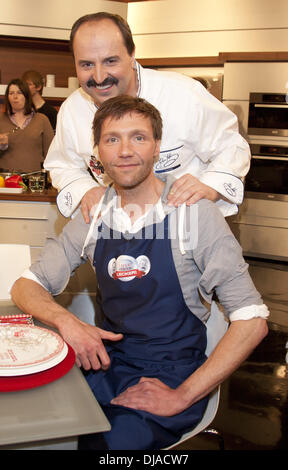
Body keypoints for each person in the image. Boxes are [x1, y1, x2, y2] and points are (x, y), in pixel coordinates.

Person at [11, 96, 268, 450]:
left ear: (157, 147)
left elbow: (252, 320)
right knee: (32, 414)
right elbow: (26, 286)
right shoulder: (93, 216)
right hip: (107, 364)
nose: (126, 150)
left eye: (139, 137)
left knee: (111, 445)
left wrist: (182, 396)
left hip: (172, 373)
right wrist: (68, 322)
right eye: (112, 139)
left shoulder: (192, 214)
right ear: (98, 152)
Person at [44, 12, 251, 222]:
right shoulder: (72, 110)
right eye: (87, 64)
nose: (99, 77)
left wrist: (211, 185)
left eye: (110, 61)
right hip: (118, 234)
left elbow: (232, 146)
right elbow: (62, 165)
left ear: (132, 54)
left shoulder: (184, 94)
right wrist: (85, 190)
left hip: (188, 228)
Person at [0, 78, 54, 172]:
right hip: (5, 181)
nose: (15, 96)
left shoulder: (42, 120)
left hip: (35, 180)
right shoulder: (1, 119)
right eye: (11, 93)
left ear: (26, 96)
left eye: (19, 93)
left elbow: (52, 155)